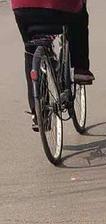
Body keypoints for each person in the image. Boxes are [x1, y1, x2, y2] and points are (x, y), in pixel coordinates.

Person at [11, 0, 95, 130]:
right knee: (80, 15)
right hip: (60, 8)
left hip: (22, 9)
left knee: (30, 50)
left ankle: (38, 113)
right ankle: (80, 69)